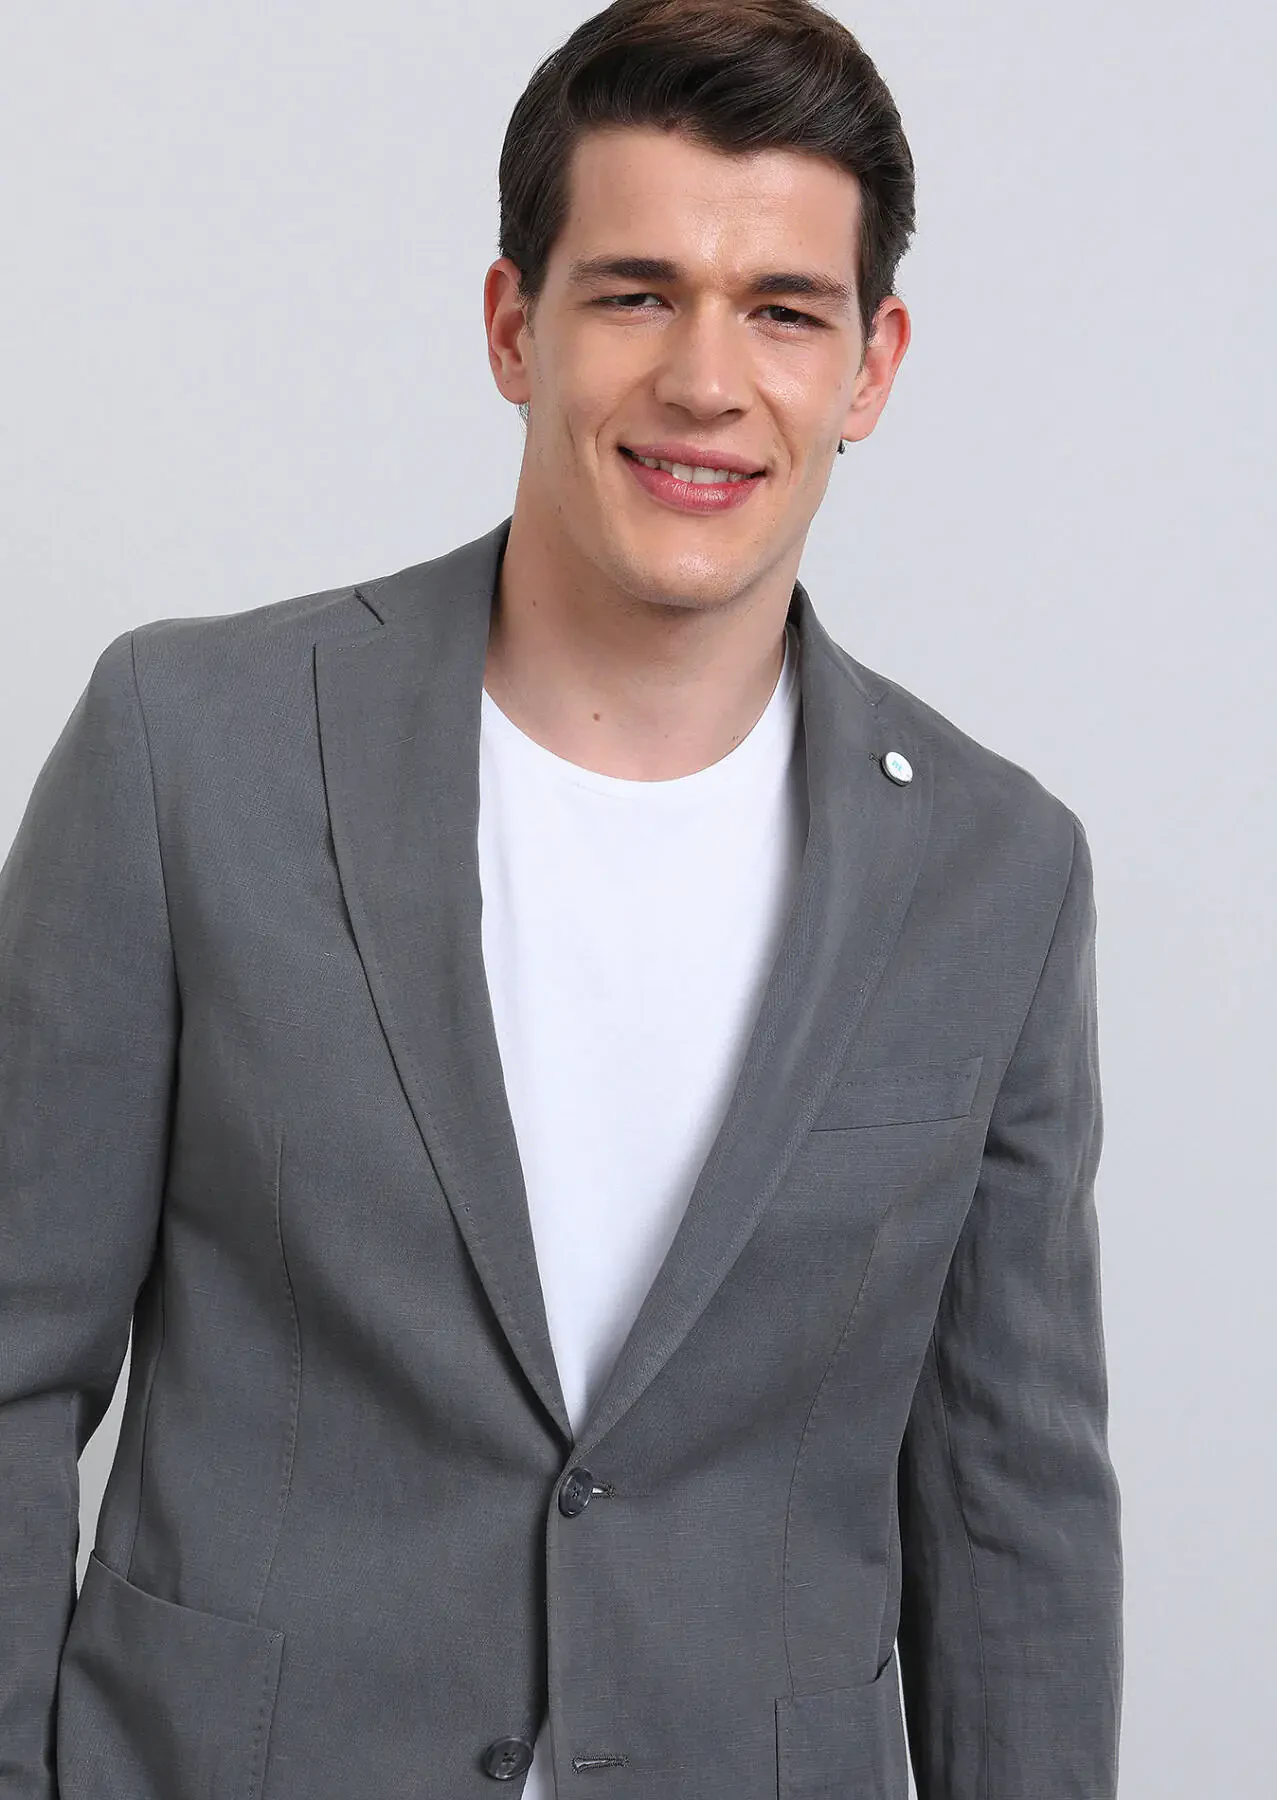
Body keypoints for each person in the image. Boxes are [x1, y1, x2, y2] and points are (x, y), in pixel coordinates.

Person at [0, 2, 1122, 1796]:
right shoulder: (187, 749)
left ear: (872, 366)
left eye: (784, 310)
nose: (706, 380)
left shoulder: (998, 872)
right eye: (636, 293)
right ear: (515, 325)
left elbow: (1011, 1514)